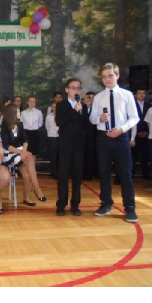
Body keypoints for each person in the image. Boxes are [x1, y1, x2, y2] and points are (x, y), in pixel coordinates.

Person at [90, 63, 140, 223]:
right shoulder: (98, 97)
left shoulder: (127, 95)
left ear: (117, 76)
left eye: (110, 75)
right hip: (103, 138)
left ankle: (130, 208)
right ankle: (106, 203)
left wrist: (122, 129)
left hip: (121, 138)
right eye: (104, 77)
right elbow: (92, 119)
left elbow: (135, 117)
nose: (107, 79)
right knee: (104, 173)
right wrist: (99, 118)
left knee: (125, 174)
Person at [55, 78, 89, 216]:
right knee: (63, 175)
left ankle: (75, 205)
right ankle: (61, 205)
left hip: (79, 146)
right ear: (66, 89)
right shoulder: (61, 105)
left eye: (78, 88)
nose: (76, 90)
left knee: (77, 176)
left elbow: (86, 125)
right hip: (65, 145)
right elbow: (59, 122)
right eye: (73, 88)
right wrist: (74, 111)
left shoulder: (83, 106)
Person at [1, 104, 46, 206]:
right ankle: (37, 189)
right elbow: (6, 145)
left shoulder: (20, 124)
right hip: (9, 153)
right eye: (17, 111)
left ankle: (27, 198)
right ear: (12, 113)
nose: (19, 113)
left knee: (27, 174)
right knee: (30, 159)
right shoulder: (4, 126)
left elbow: (25, 139)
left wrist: (24, 150)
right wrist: (22, 152)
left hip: (20, 151)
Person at [131, 88, 152, 179]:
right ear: (135, 95)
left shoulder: (150, 106)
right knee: (133, 156)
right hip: (135, 135)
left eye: (143, 93)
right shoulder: (131, 105)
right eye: (139, 93)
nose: (141, 95)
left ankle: (146, 174)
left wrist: (146, 132)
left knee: (145, 155)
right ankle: (131, 174)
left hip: (147, 135)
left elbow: (151, 121)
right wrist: (138, 132)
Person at [82, 93, 98, 181]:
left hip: (92, 136)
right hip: (83, 136)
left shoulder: (94, 110)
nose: (87, 103)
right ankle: (83, 173)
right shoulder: (81, 111)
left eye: (88, 101)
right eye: (85, 102)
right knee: (83, 155)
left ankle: (90, 174)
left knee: (91, 155)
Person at [45, 102, 59, 179]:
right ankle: (54, 172)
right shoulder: (48, 117)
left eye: (56, 106)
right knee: (53, 155)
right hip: (51, 137)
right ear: (51, 107)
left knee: (59, 155)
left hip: (60, 137)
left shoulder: (62, 115)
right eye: (54, 106)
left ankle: (60, 172)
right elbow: (47, 127)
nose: (55, 108)